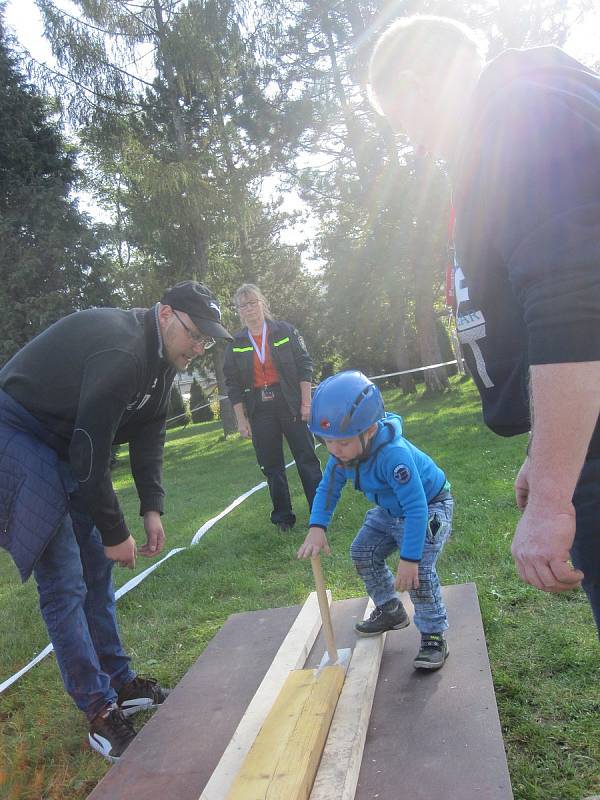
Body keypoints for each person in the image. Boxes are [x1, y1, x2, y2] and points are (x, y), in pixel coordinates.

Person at [368, 16, 600, 634]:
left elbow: (573, 306)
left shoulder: (519, 116)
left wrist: (552, 499)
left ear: (419, 85)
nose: (415, 145)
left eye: (405, 123)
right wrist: (546, 451)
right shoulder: (527, 110)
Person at [0, 280, 232, 761]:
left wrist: (150, 508)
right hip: (16, 433)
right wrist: (113, 531)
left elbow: (149, 434)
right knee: (65, 580)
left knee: (97, 572)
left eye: (207, 340)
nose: (199, 346)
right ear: (165, 314)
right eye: (196, 334)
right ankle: (99, 711)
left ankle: (120, 681)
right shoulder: (123, 350)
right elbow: (91, 451)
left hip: (63, 442)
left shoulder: (164, 359)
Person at [297, 371, 454, 670]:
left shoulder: (394, 456)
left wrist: (409, 558)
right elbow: (327, 490)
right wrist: (317, 527)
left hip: (430, 507)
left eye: (341, 442)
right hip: (390, 511)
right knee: (362, 552)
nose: (333, 450)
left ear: (369, 430)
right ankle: (390, 609)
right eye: (326, 441)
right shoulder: (341, 456)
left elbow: (417, 507)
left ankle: (434, 635)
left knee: (417, 571)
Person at [223, 284, 322, 532]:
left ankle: (320, 513)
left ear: (262, 303)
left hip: (289, 401)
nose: (249, 309)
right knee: (272, 466)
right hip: (259, 407)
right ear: (239, 311)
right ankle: (283, 519)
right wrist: (241, 420)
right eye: (243, 305)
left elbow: (304, 365)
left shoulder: (285, 331)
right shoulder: (235, 342)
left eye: (252, 302)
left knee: (306, 458)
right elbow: (232, 384)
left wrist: (306, 402)